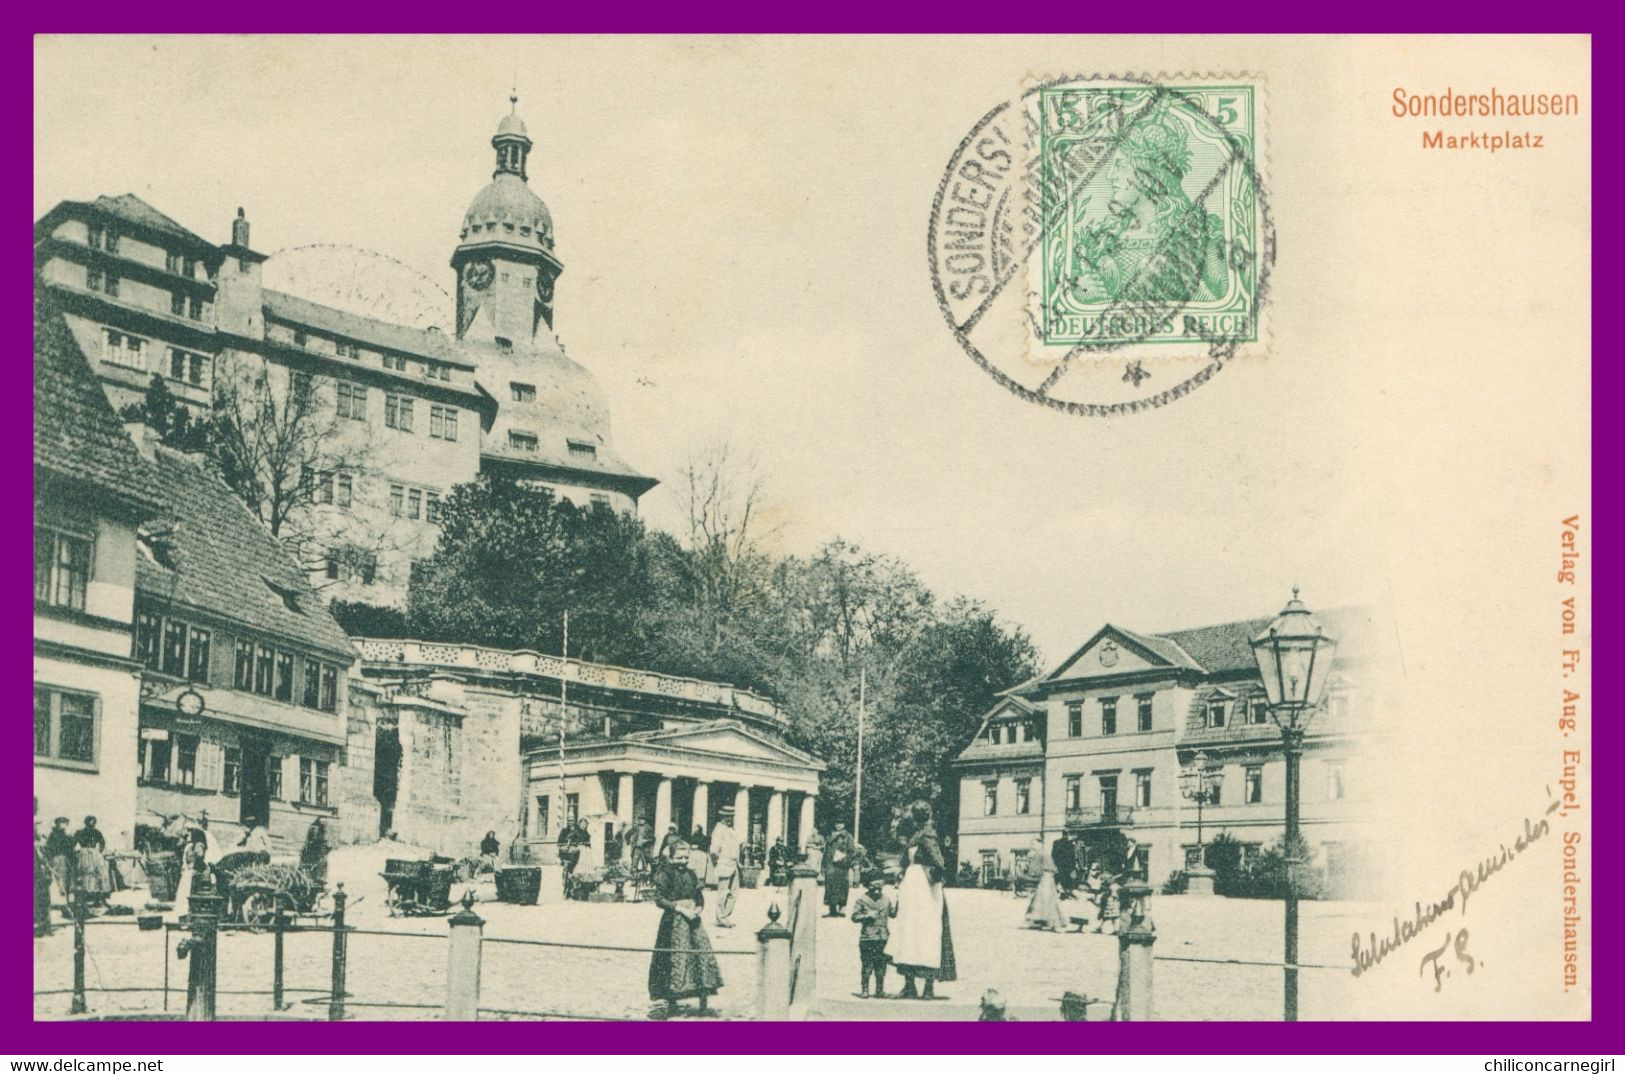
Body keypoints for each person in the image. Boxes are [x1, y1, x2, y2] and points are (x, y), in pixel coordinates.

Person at [884, 800, 957, 999]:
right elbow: (907, 861)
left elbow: (939, 863)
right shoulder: (915, 836)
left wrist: (930, 877)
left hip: (924, 890)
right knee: (909, 932)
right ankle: (910, 985)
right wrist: (904, 872)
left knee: (926, 933)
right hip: (913, 888)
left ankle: (927, 987)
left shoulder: (927, 834)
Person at [647, 839, 723, 1016]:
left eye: (685, 858)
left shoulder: (691, 874)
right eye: (679, 858)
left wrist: (697, 909)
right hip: (673, 922)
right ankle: (672, 1000)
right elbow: (659, 899)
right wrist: (681, 909)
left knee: (700, 958)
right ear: (671, 857)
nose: (682, 862)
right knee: (673, 960)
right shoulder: (664, 873)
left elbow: (699, 897)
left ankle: (703, 1000)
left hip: (693, 923)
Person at [851, 872, 896, 998]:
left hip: (882, 937)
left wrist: (899, 903)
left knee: (881, 966)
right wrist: (867, 916)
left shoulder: (886, 900)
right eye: (873, 889)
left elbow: (892, 914)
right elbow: (854, 917)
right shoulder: (862, 900)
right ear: (868, 887)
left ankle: (879, 990)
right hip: (867, 937)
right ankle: (865, 989)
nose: (876, 892)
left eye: (879, 889)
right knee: (867, 965)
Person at [708, 805, 742, 928]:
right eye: (727, 816)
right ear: (722, 816)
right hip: (724, 864)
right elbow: (713, 851)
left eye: (731, 816)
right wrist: (718, 863)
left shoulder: (730, 829)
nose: (729, 819)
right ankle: (721, 918)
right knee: (722, 893)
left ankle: (725, 916)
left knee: (734, 893)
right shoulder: (719, 829)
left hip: (734, 864)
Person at [1023, 839, 1065, 931]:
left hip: (1046, 879)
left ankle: (1049, 922)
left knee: (1044, 900)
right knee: (1046, 900)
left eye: (1034, 844)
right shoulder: (1044, 853)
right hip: (1048, 878)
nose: (1032, 846)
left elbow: (1034, 869)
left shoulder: (1040, 854)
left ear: (1040, 844)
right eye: (1032, 844)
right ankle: (1043, 922)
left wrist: (1028, 866)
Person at [71, 816, 110, 906]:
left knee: (99, 874)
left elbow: (102, 843)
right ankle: (84, 899)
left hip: (94, 854)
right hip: (84, 853)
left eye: (93, 822)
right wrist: (77, 852)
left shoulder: (97, 832)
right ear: (86, 822)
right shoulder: (80, 832)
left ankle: (98, 899)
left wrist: (98, 852)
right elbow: (73, 842)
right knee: (85, 875)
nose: (91, 824)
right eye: (90, 822)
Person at [823, 823, 854, 916]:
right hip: (831, 864)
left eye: (841, 823)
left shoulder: (848, 836)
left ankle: (842, 909)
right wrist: (823, 865)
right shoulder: (830, 836)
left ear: (844, 825)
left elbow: (852, 850)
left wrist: (845, 858)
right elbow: (826, 850)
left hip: (842, 865)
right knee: (830, 886)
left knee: (842, 886)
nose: (838, 825)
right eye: (837, 823)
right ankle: (832, 909)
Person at [45, 817, 74, 903]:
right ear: (58, 824)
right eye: (62, 823)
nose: (64, 825)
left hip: (66, 859)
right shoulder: (53, 834)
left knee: (66, 879)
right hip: (58, 858)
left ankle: (67, 899)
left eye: (65, 823)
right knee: (59, 878)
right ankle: (61, 900)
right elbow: (50, 848)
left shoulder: (66, 834)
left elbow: (71, 846)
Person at [300, 817, 330, 888]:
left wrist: (327, 847)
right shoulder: (314, 829)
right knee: (314, 865)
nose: (324, 825)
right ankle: (314, 881)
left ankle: (319, 881)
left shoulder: (322, 830)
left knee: (322, 863)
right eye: (323, 823)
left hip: (319, 852)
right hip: (312, 852)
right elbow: (312, 841)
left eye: (325, 823)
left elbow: (325, 841)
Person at [1052, 832, 1078, 897]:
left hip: (1064, 866)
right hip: (1064, 867)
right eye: (1066, 834)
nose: (1067, 836)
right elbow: (1053, 855)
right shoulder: (1068, 844)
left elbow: (1072, 857)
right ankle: (1064, 893)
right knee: (1064, 882)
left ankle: (1064, 893)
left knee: (1064, 882)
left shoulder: (1058, 842)